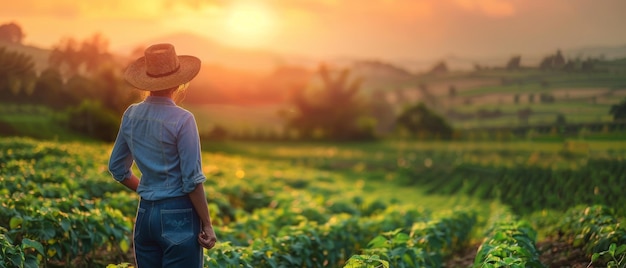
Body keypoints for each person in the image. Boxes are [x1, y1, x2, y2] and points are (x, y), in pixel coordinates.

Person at [108, 43, 217, 268]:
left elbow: (117, 169)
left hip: (145, 214)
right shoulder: (183, 119)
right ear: (179, 82)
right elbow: (192, 181)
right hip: (178, 215)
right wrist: (207, 224)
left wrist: (149, 191)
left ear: (147, 82)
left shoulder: (131, 114)